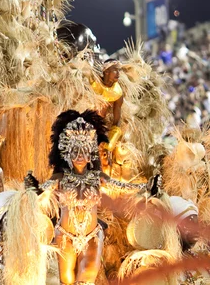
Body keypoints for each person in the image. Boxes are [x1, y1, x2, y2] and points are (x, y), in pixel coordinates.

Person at [25, 110, 158, 285]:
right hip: (65, 237)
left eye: (84, 151)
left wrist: (147, 188)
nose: (79, 156)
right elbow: (42, 192)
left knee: (86, 281)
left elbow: (123, 187)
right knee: (67, 281)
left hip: (92, 237)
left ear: (90, 154)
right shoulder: (60, 178)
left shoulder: (98, 178)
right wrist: (34, 188)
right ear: (66, 153)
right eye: (75, 151)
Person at [90, 59, 124, 150]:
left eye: (119, 70)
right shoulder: (92, 83)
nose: (118, 73)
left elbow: (116, 122)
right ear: (106, 72)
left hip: (99, 128)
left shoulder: (117, 92)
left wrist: (112, 138)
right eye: (115, 70)